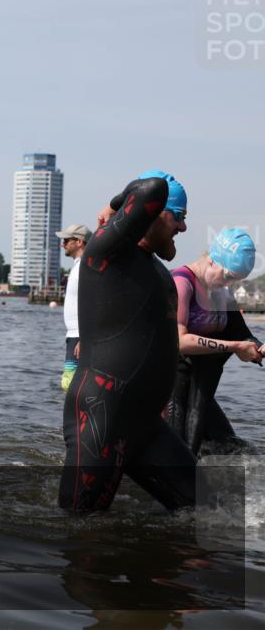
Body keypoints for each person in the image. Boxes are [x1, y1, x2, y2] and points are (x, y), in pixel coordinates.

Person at [59, 171, 196, 512]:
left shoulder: (158, 270)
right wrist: (114, 207)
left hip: (145, 424)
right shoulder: (106, 254)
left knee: (210, 510)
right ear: (154, 212)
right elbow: (153, 187)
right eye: (178, 217)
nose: (183, 228)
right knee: (81, 530)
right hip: (102, 418)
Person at [163, 227, 263, 455]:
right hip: (170, 385)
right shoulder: (181, 283)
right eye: (227, 276)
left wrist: (259, 348)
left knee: (235, 449)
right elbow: (179, 341)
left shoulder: (222, 292)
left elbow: (242, 333)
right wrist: (235, 347)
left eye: (235, 280)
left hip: (200, 391)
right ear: (211, 260)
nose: (228, 283)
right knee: (179, 455)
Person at [55, 223, 92, 392]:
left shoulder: (85, 266)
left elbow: (93, 300)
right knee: (70, 383)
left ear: (79, 242)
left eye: (66, 240)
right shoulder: (78, 265)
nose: (63, 244)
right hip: (75, 335)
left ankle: (75, 417)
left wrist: (85, 337)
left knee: (71, 384)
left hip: (80, 336)